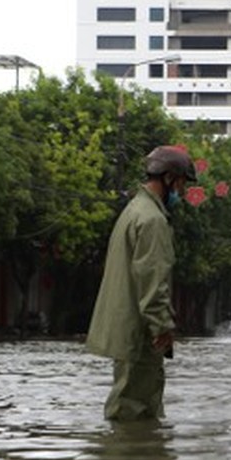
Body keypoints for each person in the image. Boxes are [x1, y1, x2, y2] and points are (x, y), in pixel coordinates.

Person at [86, 145, 196, 420]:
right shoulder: (152, 220)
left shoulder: (134, 210)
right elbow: (152, 281)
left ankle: (138, 457)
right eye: (182, 183)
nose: (182, 192)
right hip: (141, 332)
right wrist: (162, 327)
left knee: (137, 407)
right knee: (131, 410)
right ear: (169, 178)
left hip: (130, 327)